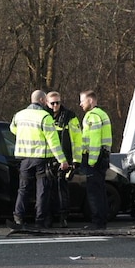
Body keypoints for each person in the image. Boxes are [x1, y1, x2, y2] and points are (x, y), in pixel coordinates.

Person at [11, 90, 70, 228]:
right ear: (43, 100)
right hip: (41, 159)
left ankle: (18, 217)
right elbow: (53, 141)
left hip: (24, 158)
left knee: (23, 189)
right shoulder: (45, 117)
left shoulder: (19, 115)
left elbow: (13, 129)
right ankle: (40, 220)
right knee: (42, 190)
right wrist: (62, 160)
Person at [46, 91, 82, 227]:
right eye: (52, 103)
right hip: (48, 159)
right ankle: (48, 217)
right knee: (47, 190)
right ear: (46, 103)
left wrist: (76, 161)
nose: (56, 105)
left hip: (64, 160)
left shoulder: (69, 117)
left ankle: (63, 217)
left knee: (62, 190)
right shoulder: (44, 116)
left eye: (58, 103)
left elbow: (77, 140)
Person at [79, 90, 113, 230]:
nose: (80, 104)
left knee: (94, 191)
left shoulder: (92, 116)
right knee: (100, 189)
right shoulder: (102, 114)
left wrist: (91, 161)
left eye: (82, 100)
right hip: (103, 156)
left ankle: (98, 222)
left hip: (95, 158)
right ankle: (102, 220)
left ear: (90, 101)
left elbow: (94, 140)